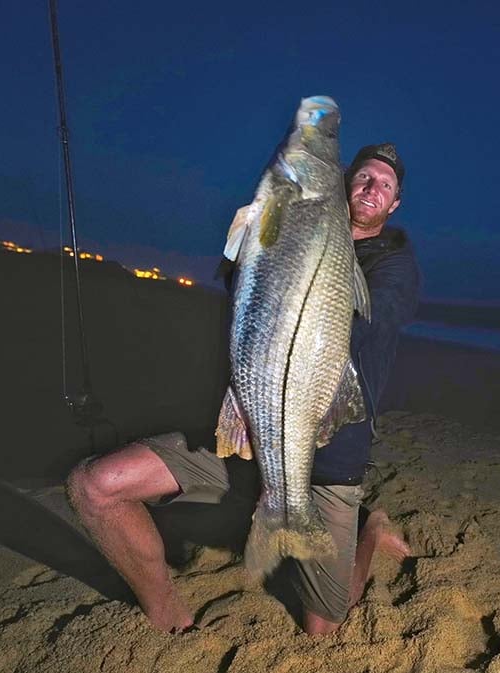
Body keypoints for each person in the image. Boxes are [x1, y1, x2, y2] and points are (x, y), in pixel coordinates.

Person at [66, 142, 421, 635]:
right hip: (248, 434)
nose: (371, 188)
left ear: (395, 203)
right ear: (344, 183)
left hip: (330, 459)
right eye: (364, 176)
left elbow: (364, 323)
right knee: (95, 486)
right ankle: (168, 614)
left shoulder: (394, 263)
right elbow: (239, 286)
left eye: (384, 184)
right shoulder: (297, 231)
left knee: (325, 629)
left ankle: (370, 529)